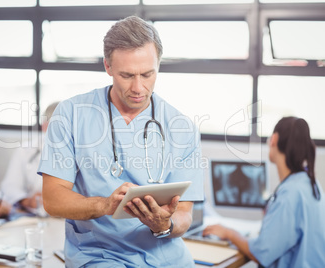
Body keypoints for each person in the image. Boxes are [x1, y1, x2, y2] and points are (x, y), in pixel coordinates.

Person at [38, 16, 204, 267]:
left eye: (148, 74)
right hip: (100, 255)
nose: (138, 87)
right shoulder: (70, 114)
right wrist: (105, 205)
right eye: (127, 75)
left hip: (166, 256)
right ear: (107, 66)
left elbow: (184, 214)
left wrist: (165, 224)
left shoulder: (183, 128)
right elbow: (52, 199)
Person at [203, 117, 325, 267]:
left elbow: (261, 253)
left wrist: (229, 233)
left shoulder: (290, 194)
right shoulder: (311, 183)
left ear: (273, 139)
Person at [1, 102, 59, 212]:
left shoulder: (83, 154)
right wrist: (27, 200)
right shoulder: (25, 151)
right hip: (35, 218)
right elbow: (9, 187)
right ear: (45, 126)